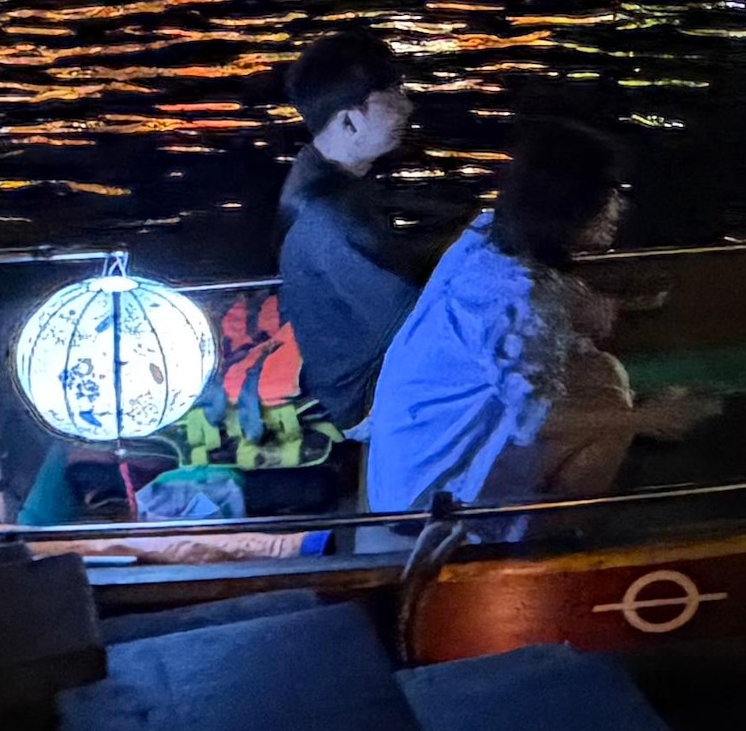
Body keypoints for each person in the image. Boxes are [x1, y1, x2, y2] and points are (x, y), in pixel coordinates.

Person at [363, 121, 715, 519]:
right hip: (425, 493)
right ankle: (550, 535)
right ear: (567, 206)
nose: (618, 207)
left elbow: (540, 303)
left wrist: (600, 303)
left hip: (411, 447)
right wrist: (653, 417)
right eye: (607, 195)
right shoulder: (519, 302)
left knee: (601, 371)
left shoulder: (486, 234)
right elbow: (534, 417)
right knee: (614, 421)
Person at [274, 26, 442, 433]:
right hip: (363, 395)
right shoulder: (328, 216)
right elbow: (416, 324)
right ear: (349, 122)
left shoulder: (330, 178)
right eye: (393, 95)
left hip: (363, 370)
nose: (408, 107)